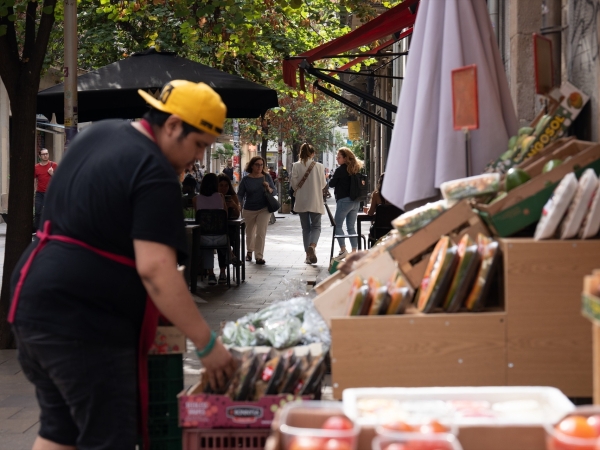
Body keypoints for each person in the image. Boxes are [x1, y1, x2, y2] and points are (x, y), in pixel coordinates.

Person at [9, 80, 236, 450]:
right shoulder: (155, 169)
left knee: (59, 430)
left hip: (33, 302)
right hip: (85, 321)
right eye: (198, 145)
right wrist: (206, 343)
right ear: (173, 125)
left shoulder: (100, 134)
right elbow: (156, 269)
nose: (198, 157)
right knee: (108, 437)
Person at [291, 143, 327, 265]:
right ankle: (312, 246)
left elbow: (294, 184)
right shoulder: (319, 166)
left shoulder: (296, 166)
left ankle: (307, 256)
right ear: (312, 154)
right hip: (315, 200)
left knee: (305, 228)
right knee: (316, 226)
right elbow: (323, 184)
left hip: (301, 201)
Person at [237, 156, 276, 265]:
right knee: (249, 232)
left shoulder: (266, 177)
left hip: (264, 208)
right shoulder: (246, 179)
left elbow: (274, 192)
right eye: (257, 165)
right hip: (249, 208)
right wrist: (238, 204)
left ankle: (259, 256)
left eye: (261, 165)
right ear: (252, 166)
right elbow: (240, 194)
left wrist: (268, 188)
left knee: (261, 232)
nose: (259, 167)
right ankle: (249, 251)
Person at [194, 173, 229, 285]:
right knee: (223, 244)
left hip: (204, 238)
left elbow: (197, 217)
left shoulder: (196, 199)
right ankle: (222, 273)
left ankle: (211, 274)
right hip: (220, 237)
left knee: (207, 247)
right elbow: (225, 215)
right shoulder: (221, 197)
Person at [329, 147, 363, 258]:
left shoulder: (340, 170)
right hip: (355, 202)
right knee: (351, 227)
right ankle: (354, 252)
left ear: (345, 158)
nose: (337, 159)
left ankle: (343, 250)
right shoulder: (355, 169)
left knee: (337, 225)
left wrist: (330, 177)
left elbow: (331, 184)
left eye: (339, 157)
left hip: (344, 201)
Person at [217, 173, 242, 266]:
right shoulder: (214, 197)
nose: (224, 188)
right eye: (221, 185)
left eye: (226, 185)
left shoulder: (232, 196)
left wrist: (234, 206)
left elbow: (237, 215)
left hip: (230, 227)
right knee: (222, 236)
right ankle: (231, 257)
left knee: (228, 235)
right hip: (217, 228)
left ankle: (231, 257)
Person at [34, 148, 57, 231]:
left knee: (51, 212)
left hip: (50, 192)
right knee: (38, 211)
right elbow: (34, 179)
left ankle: (51, 230)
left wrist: (52, 174)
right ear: (40, 156)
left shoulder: (54, 165)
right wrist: (35, 189)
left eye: (46, 153)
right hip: (39, 193)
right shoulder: (36, 167)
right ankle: (37, 230)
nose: (45, 155)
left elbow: (60, 179)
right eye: (43, 154)